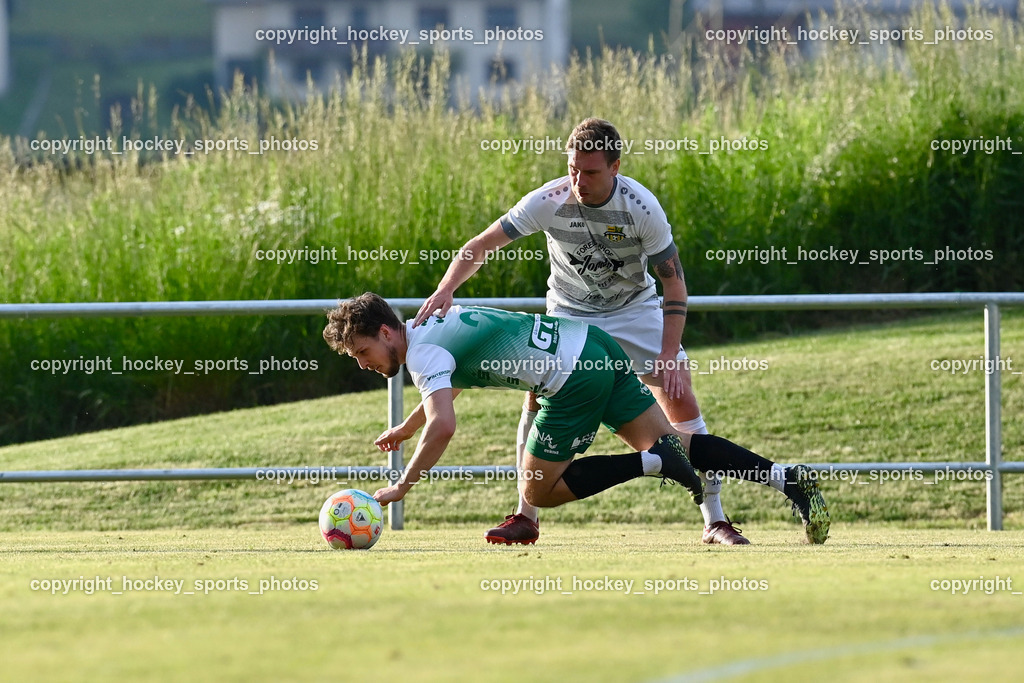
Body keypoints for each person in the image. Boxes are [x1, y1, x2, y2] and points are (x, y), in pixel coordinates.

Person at [413, 117, 827, 545]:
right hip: (571, 315)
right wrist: (445, 290)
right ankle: (525, 516)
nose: (578, 180)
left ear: (615, 167)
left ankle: (715, 520)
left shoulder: (641, 207)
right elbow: (479, 246)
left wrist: (667, 353)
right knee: (535, 399)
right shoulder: (548, 200)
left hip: (634, 311)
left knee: (680, 400)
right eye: (573, 168)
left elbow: (674, 282)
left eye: (590, 172)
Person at [322, 293, 829, 546]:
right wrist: (406, 429)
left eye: (363, 351)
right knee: (681, 443)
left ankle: (650, 465)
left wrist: (403, 486)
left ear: (388, 332)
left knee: (540, 492)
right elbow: (443, 394)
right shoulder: (432, 326)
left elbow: (445, 425)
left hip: (571, 380)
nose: (365, 364)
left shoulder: (422, 356)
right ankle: (790, 481)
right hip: (594, 345)